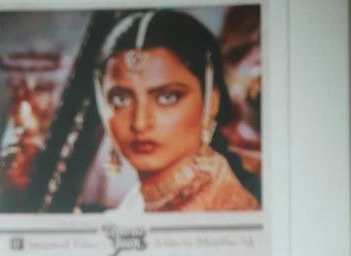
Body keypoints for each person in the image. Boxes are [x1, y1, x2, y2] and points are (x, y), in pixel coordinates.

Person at [94, 9, 260, 213]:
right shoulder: (133, 205)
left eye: (167, 97)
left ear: (211, 103)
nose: (140, 122)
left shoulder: (229, 207)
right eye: (121, 99)